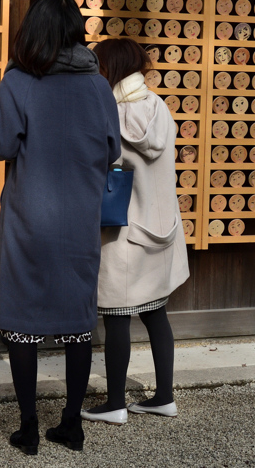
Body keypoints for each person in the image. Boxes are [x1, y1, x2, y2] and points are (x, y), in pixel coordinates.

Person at [0, 0, 121, 455]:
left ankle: (27, 429)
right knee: (77, 322)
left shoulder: (18, 82)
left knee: (23, 321)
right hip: (79, 219)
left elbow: (2, 147)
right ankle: (71, 425)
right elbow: (113, 150)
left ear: (33, 32)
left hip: (28, 219)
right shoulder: (98, 86)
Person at [80, 38, 190, 426]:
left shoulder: (110, 112)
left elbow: (103, 160)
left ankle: (115, 404)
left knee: (118, 316)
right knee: (156, 313)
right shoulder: (158, 106)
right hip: (162, 227)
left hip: (124, 230)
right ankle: (164, 397)